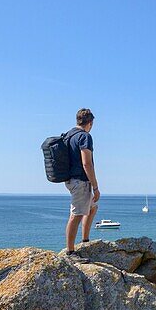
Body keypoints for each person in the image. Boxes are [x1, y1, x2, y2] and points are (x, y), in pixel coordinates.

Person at [64, 108, 99, 252]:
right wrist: (95, 187)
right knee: (76, 215)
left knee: (92, 207)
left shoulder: (68, 135)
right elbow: (87, 163)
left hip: (71, 180)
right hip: (80, 181)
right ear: (90, 123)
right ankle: (70, 251)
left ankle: (85, 240)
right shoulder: (85, 136)